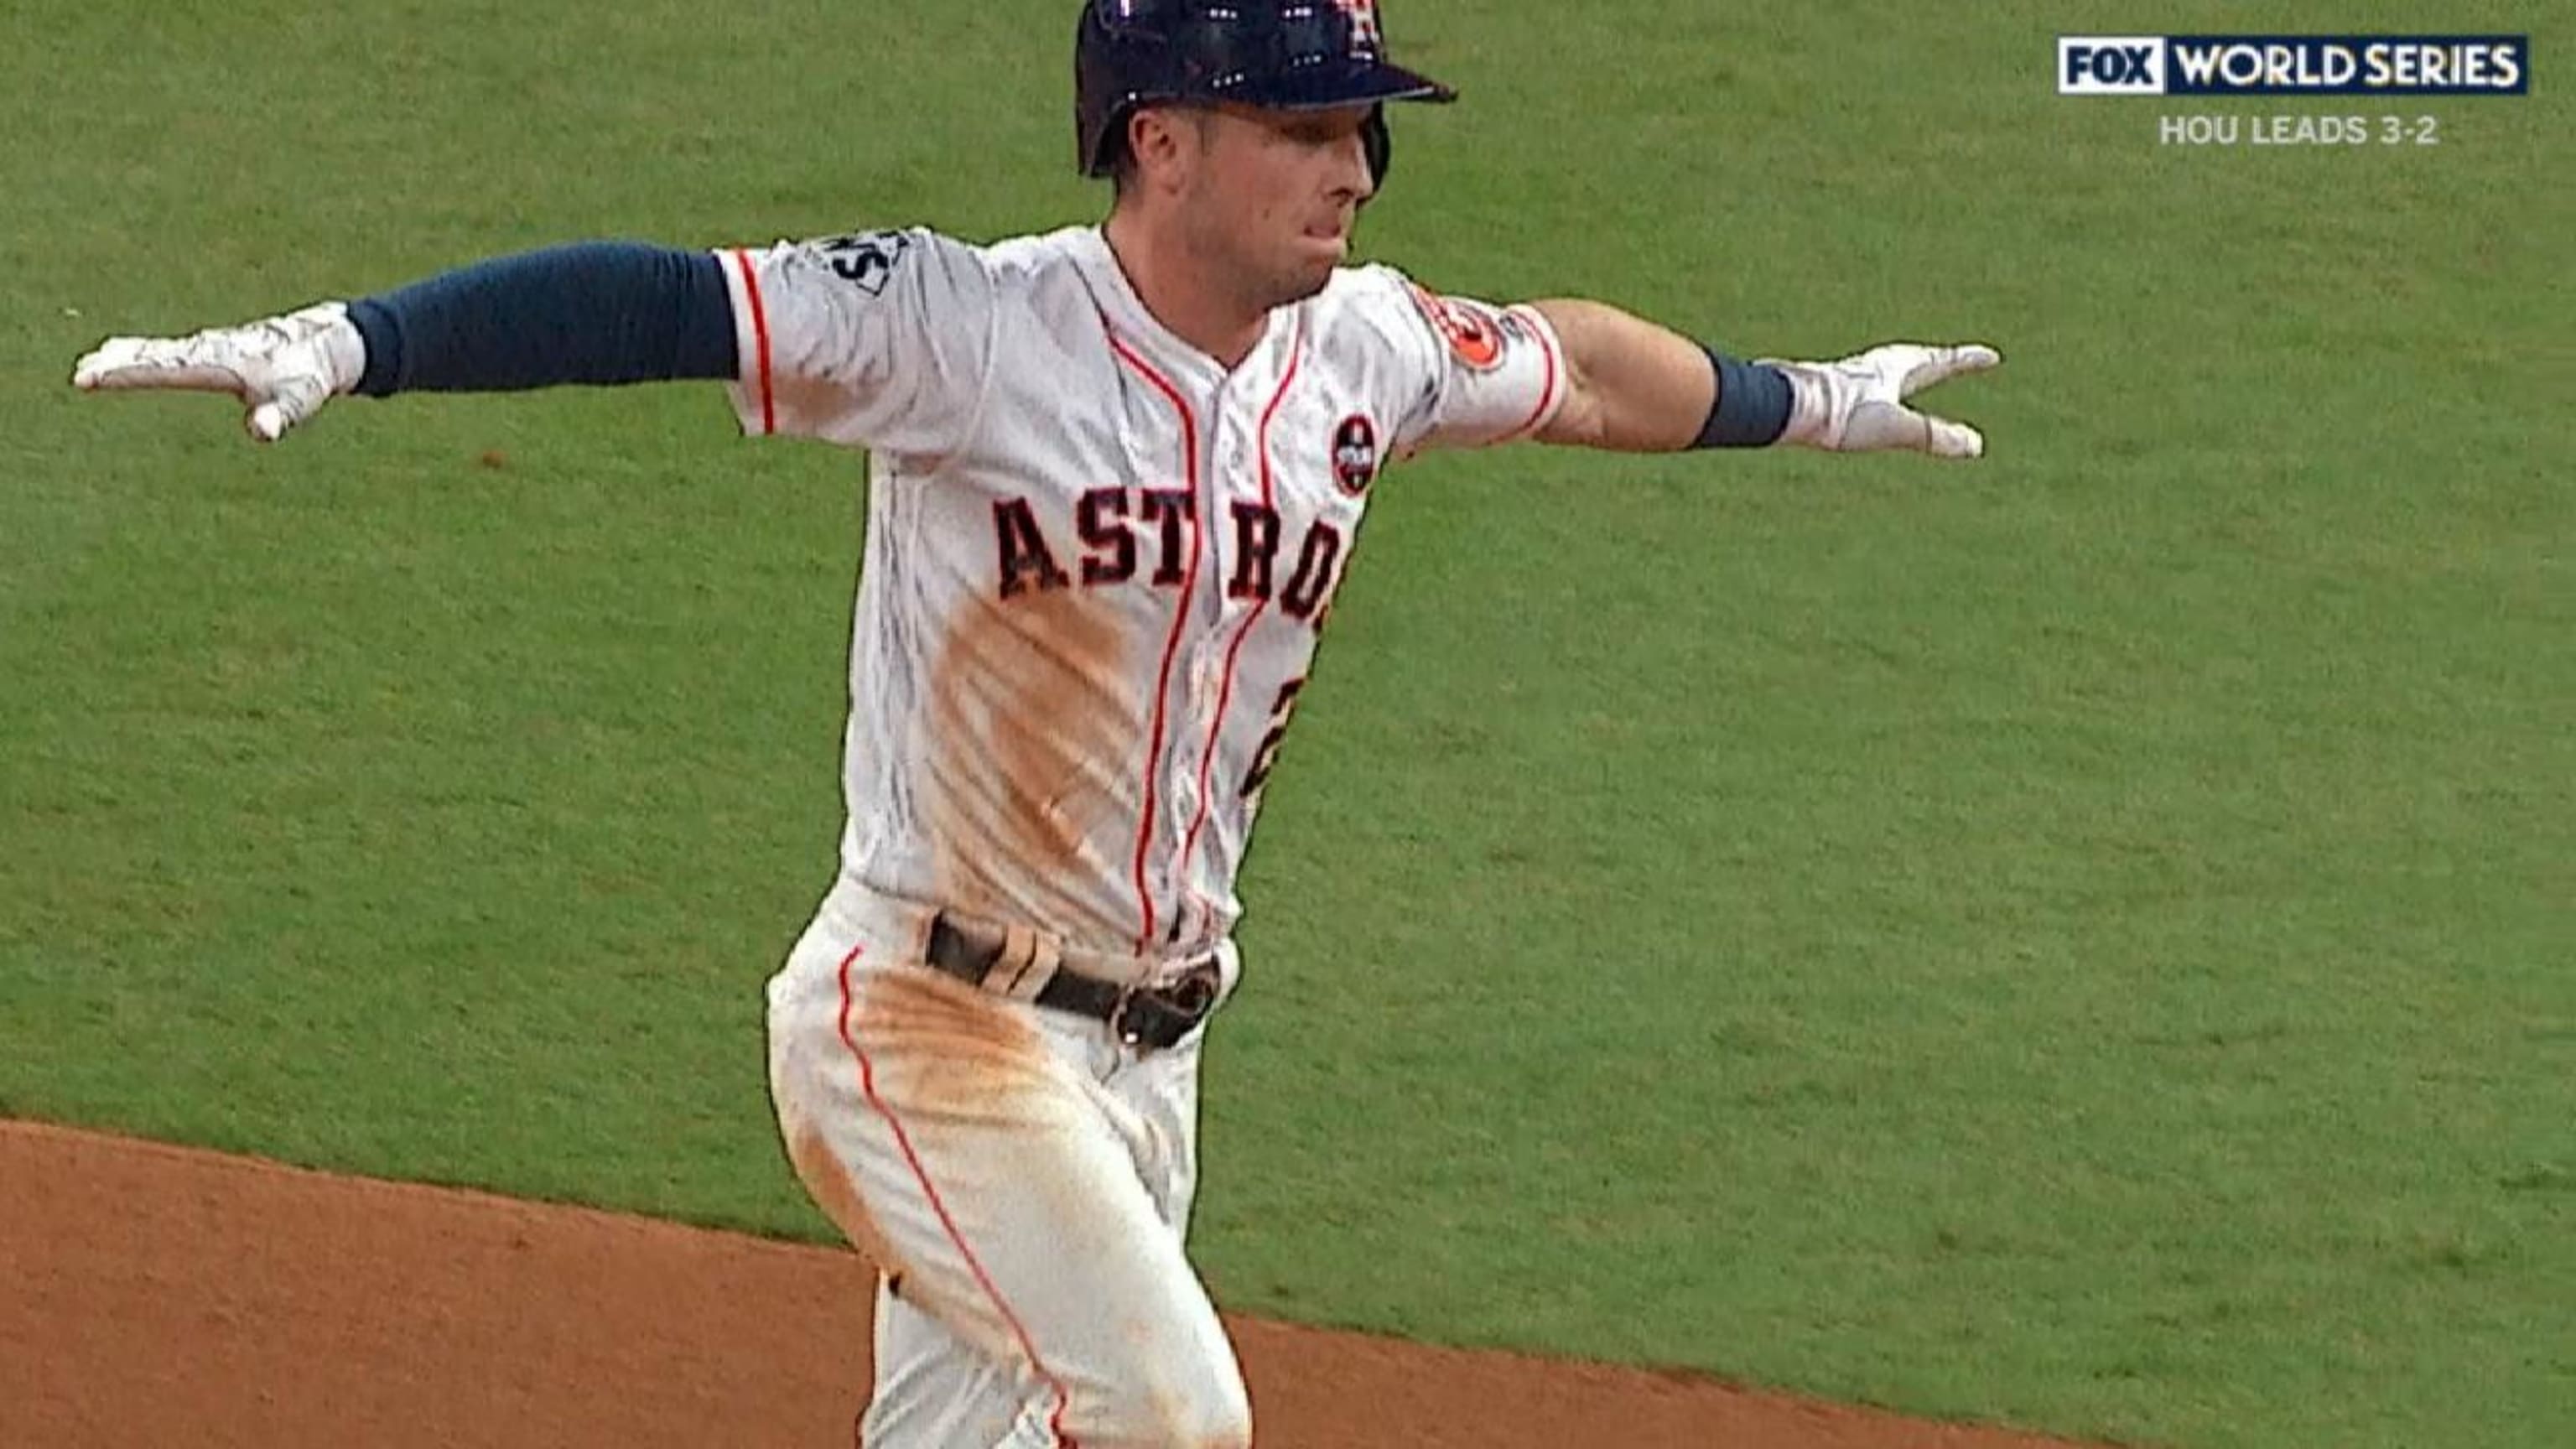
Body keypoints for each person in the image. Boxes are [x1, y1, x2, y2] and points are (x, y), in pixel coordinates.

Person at [72, 2, 1998, 1443]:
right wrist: (351, 340)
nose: (1354, 166)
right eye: (1307, 123)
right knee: (1176, 1418)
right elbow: (668, 304)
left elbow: (1575, 368)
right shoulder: (966, 330)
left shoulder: (1367, 352)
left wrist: (1811, 397)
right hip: (923, 1026)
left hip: (1150, 1065)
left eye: (1366, 129)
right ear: (1160, 140)